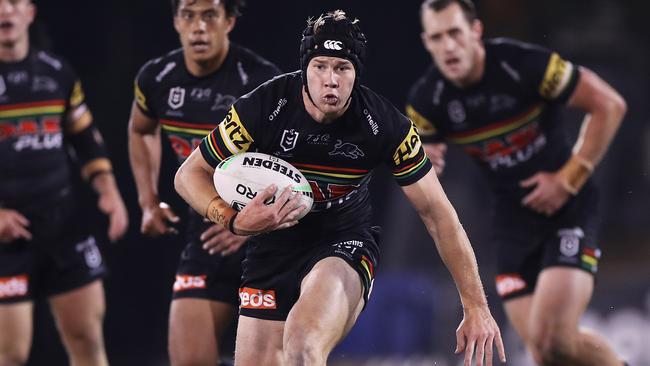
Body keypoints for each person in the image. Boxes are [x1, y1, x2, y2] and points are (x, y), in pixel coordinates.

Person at [175, 9, 506, 366]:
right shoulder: (263, 106)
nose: (330, 80)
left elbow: (439, 215)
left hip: (343, 243)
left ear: (356, 74)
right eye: (320, 66)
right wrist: (234, 220)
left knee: (302, 346)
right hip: (272, 248)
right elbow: (188, 175)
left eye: (341, 68)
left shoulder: (384, 125)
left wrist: (476, 306)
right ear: (305, 68)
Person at [407, 0, 627, 365]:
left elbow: (610, 104)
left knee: (554, 338)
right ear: (426, 42)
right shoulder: (428, 99)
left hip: (567, 210)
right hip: (511, 222)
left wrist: (568, 179)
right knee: (543, 352)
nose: (447, 46)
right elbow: (421, 152)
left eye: (455, 33)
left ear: (476, 32)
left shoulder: (523, 65)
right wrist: (426, 156)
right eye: (436, 38)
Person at [127, 0, 281, 364]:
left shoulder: (261, 81)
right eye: (188, 16)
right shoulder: (157, 78)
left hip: (271, 241)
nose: (199, 27)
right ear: (176, 22)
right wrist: (148, 201)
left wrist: (249, 225)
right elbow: (140, 129)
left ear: (228, 21)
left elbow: (294, 162)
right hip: (209, 232)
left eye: (209, 15)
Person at [0, 0, 129, 365]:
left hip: (62, 225)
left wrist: (109, 192)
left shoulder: (57, 74)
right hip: (7, 240)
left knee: (87, 337)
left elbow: (85, 138)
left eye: (14, 2)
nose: (5, 11)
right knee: (10, 353)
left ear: (30, 12)